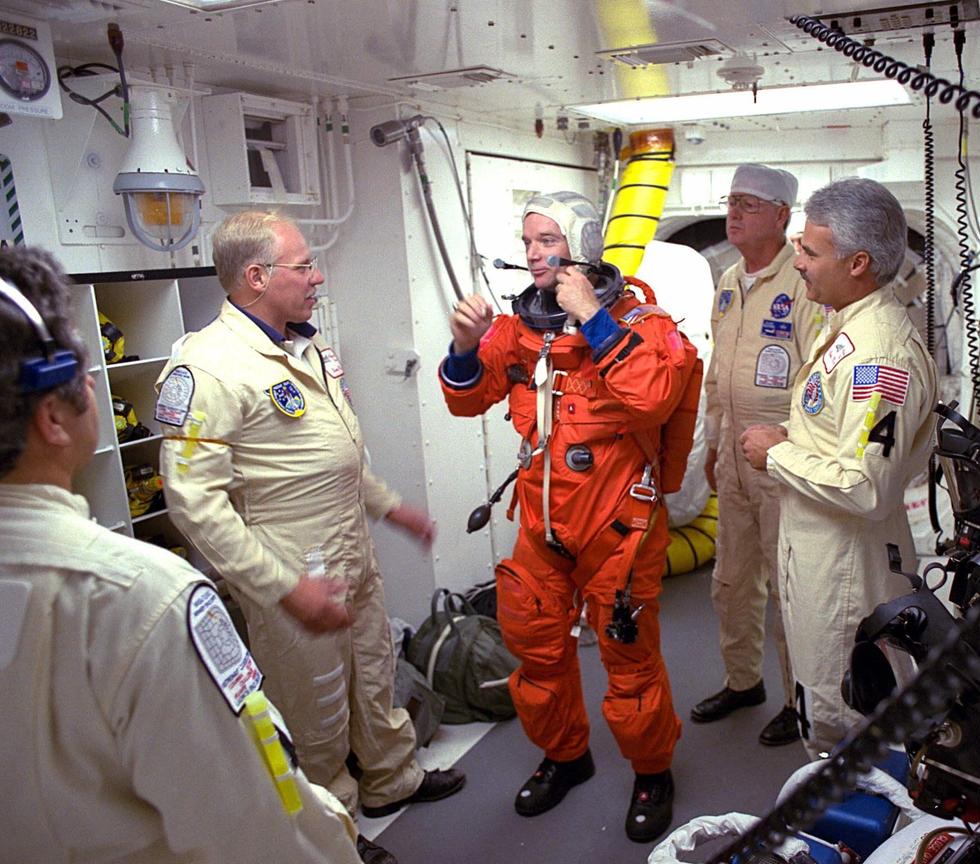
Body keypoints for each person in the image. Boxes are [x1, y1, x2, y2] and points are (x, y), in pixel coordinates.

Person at [0, 245, 361, 863]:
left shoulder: (302, 348)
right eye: (82, 364)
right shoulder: (143, 603)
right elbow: (263, 829)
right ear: (55, 415)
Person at [155, 211, 464, 863]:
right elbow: (195, 506)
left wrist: (390, 507)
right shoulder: (207, 367)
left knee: (374, 673)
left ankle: (392, 780)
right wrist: (281, 587)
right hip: (288, 568)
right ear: (257, 276)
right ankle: (337, 831)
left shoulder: (303, 347)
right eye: (304, 266)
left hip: (350, 545)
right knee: (313, 713)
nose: (318, 276)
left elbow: (337, 452)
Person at [439, 191, 698, 843]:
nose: (532, 253)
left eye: (546, 239)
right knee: (536, 651)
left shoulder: (642, 322)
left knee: (630, 658)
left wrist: (592, 316)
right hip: (543, 527)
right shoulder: (520, 331)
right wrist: (465, 348)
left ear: (580, 242)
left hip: (620, 529)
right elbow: (467, 401)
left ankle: (652, 771)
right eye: (527, 241)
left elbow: (653, 395)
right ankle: (565, 757)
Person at [741, 178, 939, 761]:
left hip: (845, 570)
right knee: (818, 695)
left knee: (840, 714)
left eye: (809, 252)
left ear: (858, 263)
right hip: (817, 549)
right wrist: (793, 437)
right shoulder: (845, 323)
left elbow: (864, 486)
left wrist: (775, 453)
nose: (796, 262)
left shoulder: (880, 357)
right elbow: (837, 438)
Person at [692, 164, 824, 747]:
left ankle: (802, 701)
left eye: (750, 204)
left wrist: (793, 450)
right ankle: (743, 681)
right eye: (732, 201)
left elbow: (821, 382)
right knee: (732, 580)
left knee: (788, 586)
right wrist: (715, 442)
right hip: (732, 457)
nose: (735, 212)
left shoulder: (802, 283)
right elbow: (717, 372)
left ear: (781, 217)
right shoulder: (727, 280)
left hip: (781, 460)